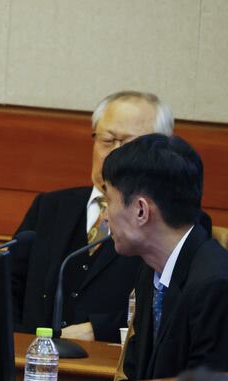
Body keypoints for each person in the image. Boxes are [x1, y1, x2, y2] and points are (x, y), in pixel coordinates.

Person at [9, 91, 179, 343]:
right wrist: (15, 340)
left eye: (129, 144)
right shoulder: (50, 206)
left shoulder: (174, 221)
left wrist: (101, 329)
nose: (114, 154)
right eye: (107, 140)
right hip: (33, 362)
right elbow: (7, 282)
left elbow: (171, 305)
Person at [103, 134, 228, 379]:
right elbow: (136, 373)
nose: (105, 217)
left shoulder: (215, 286)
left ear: (141, 210)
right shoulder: (151, 268)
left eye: (108, 201)